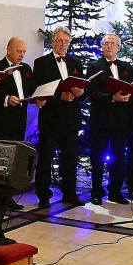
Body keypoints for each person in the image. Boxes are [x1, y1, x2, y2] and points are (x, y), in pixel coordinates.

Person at [33, 26, 86, 209]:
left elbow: (84, 90)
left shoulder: (75, 63)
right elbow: (38, 89)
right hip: (51, 118)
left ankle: (69, 193)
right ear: (53, 42)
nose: (63, 44)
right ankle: (43, 195)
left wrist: (81, 92)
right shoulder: (41, 62)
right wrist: (60, 96)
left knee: (71, 158)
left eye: (66, 41)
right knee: (46, 158)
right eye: (60, 41)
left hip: (71, 118)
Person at [87, 34, 133, 205]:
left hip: (121, 120)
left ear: (119, 47)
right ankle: (96, 192)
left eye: (113, 44)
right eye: (106, 43)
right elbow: (92, 93)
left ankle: (115, 191)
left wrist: (127, 97)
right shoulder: (94, 66)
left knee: (118, 156)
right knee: (98, 157)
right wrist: (111, 98)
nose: (109, 46)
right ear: (101, 47)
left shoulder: (126, 67)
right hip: (101, 120)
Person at [0, 37, 36, 142]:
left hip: (21, 121)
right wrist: (6, 99)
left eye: (24, 52)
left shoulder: (26, 68)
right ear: (9, 50)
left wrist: (39, 98)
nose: (22, 55)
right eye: (19, 51)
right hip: (1, 122)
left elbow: (32, 89)